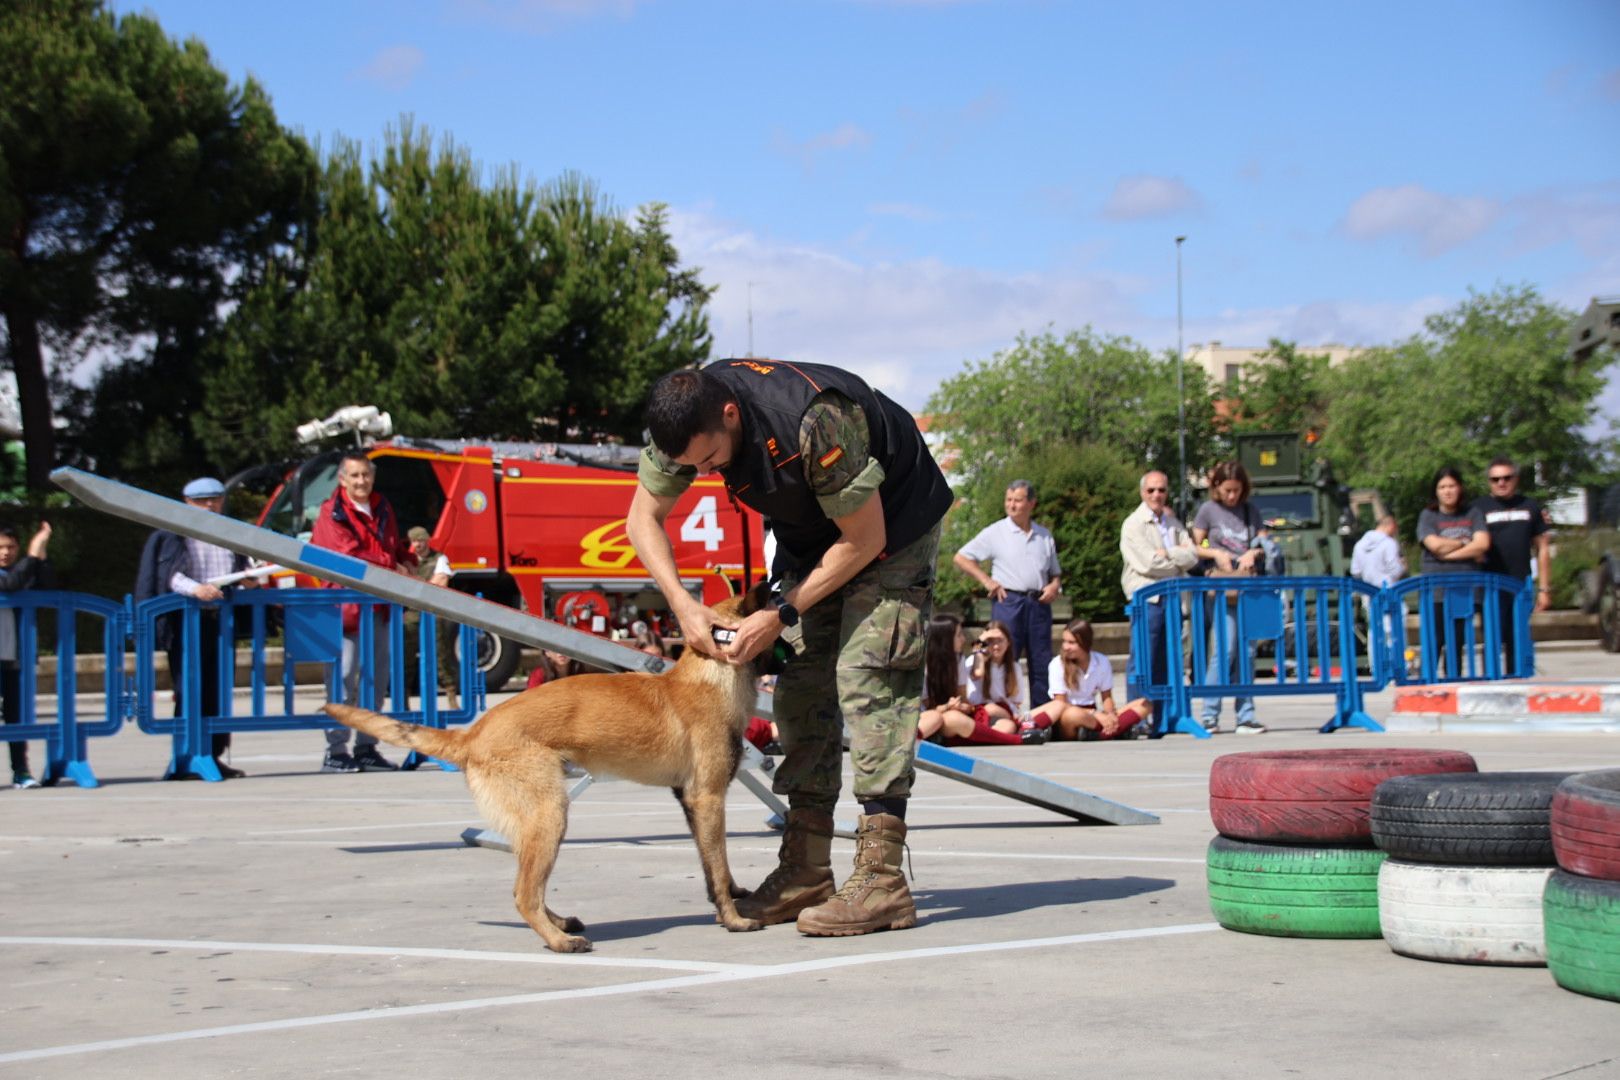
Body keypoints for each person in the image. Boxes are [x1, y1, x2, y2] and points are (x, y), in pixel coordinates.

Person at [625, 360, 952, 938]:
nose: (700, 474)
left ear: (730, 415)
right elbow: (641, 518)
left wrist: (778, 614)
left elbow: (865, 538)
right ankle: (805, 868)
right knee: (801, 688)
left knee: (869, 677)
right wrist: (681, 603)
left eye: (708, 461)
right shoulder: (684, 416)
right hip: (815, 538)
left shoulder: (815, 419)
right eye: (688, 467)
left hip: (890, 529)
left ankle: (882, 881)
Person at [134, 478, 258, 780]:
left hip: (221, 619)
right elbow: (168, 576)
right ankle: (186, 755)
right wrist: (196, 590)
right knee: (188, 688)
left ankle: (213, 754)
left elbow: (240, 569)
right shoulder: (170, 535)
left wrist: (248, 579)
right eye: (202, 500)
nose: (210, 505)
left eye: (215, 499)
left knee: (218, 688)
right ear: (186, 503)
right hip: (184, 620)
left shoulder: (230, 532)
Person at [309, 451, 414, 773]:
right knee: (342, 679)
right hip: (344, 609)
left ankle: (367, 746)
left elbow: (393, 545)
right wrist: (393, 566)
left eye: (365, 475)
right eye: (354, 476)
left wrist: (408, 558)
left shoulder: (382, 506)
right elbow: (348, 558)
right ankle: (336, 750)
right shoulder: (332, 512)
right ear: (342, 479)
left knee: (376, 680)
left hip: (379, 608)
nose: (361, 481)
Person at [953, 480, 1062, 707]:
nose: (1011, 505)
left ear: (1031, 503)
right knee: (1001, 657)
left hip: (1038, 603)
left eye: (1018, 500)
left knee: (1041, 661)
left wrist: (1054, 586)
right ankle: (1001, 709)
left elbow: (1055, 573)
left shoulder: (1044, 535)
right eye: (1008, 500)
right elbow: (961, 557)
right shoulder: (995, 532)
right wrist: (986, 580)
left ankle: (1042, 716)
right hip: (1008, 602)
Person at [1119, 470, 1199, 735]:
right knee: (1143, 660)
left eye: (1161, 490)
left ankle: (1164, 717)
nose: (1156, 495)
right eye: (1151, 490)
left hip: (1173, 599)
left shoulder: (1173, 523)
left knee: (1169, 659)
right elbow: (1148, 563)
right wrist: (1176, 560)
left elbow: (1193, 555)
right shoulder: (1133, 524)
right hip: (1148, 598)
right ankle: (1137, 718)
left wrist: (1169, 554)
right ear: (1143, 493)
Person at [1190, 460, 1267, 735]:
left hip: (1248, 586)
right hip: (1222, 589)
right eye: (1227, 490)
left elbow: (1264, 541)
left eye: (1236, 490)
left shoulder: (1250, 511)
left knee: (1247, 652)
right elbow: (1196, 546)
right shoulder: (1208, 511)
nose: (1232, 496)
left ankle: (1245, 714)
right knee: (1225, 649)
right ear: (1217, 488)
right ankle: (1210, 713)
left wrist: (1253, 552)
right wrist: (1216, 553)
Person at [1472, 456, 1551, 674]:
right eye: (1495, 479)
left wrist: (1544, 589)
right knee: (1492, 636)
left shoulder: (1530, 507)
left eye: (1506, 478)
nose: (1501, 483)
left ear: (1515, 479)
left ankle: (1519, 682)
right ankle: (1492, 683)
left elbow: (1543, 548)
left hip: (1520, 583)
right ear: (1489, 481)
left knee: (1517, 637)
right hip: (1489, 583)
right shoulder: (1477, 508)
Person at [1417, 466, 1490, 677]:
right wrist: (1464, 542)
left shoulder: (1472, 513)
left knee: (1457, 640)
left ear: (1460, 488)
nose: (1447, 491)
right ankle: (1426, 683)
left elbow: (1482, 544)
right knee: (1435, 638)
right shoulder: (1428, 516)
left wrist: (1448, 552)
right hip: (1437, 589)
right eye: (1442, 487)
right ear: (1436, 491)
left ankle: (1454, 681)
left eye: (1451, 486)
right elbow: (1433, 545)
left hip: (1464, 587)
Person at [1030, 618, 1150, 740]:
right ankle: (1114, 731)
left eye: (1071, 643)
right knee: (1073, 716)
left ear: (1085, 643)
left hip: (1093, 714)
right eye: (1064, 641)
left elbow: (1107, 697)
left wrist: (1110, 715)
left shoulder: (1101, 661)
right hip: (1069, 714)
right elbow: (1061, 703)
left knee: (1145, 704)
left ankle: (1101, 731)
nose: (1065, 647)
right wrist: (1095, 715)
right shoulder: (1057, 664)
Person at [2, 522, 53, 788]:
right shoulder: (17, 574)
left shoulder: (23, 571)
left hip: (13, 656)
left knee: (16, 716)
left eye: (10, 547)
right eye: (0, 547)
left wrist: (41, 557)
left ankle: (21, 771)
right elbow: (9, 584)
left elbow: (48, 588)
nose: (5, 552)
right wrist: (33, 554)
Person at [403, 525, 460, 709]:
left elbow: (441, 583)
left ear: (427, 540)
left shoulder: (439, 559)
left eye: (420, 540)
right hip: (411, 612)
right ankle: (404, 698)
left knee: (441, 654)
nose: (417, 544)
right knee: (406, 657)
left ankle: (451, 695)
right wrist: (426, 584)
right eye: (414, 541)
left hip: (432, 611)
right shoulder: (407, 559)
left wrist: (417, 584)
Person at [1351, 514, 1404, 589]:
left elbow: (1355, 572)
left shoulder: (1359, 545)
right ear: (1392, 526)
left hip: (1368, 593)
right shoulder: (1389, 543)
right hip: (1388, 592)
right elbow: (1396, 570)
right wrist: (1403, 566)